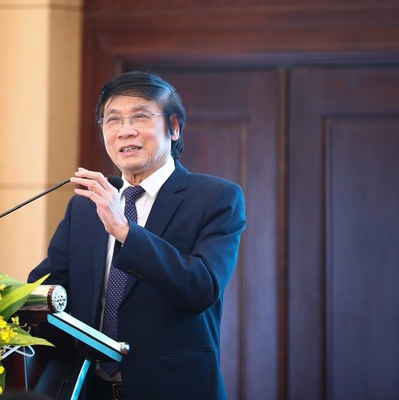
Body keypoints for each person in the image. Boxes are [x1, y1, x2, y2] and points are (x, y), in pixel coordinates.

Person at [28, 71, 245, 400]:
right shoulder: (85, 207)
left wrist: (125, 231)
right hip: (89, 391)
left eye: (140, 117)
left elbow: (201, 288)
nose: (125, 130)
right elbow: (47, 290)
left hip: (174, 391)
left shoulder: (215, 198)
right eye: (113, 119)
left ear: (173, 127)